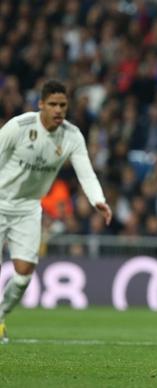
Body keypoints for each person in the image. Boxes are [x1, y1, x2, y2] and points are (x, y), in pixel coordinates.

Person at [0, 80, 112, 344]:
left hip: (28, 208)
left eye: (63, 105)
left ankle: (1, 316)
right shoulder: (20, 126)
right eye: (53, 104)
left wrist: (99, 200)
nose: (58, 109)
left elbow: (85, 171)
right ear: (41, 104)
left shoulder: (72, 136)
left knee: (24, 273)